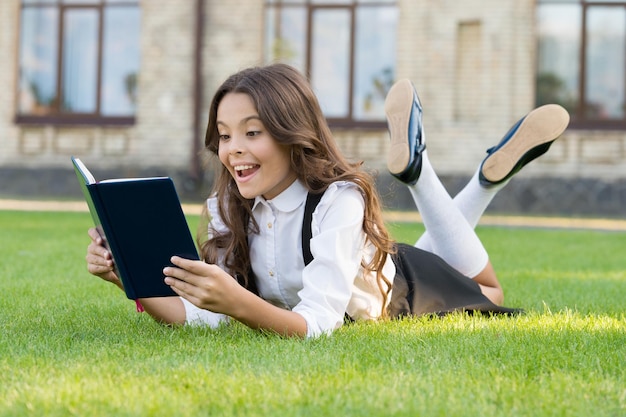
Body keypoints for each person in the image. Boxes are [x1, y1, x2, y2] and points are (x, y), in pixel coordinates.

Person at [85, 64, 570, 338]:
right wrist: (127, 275)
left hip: (401, 287)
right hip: (369, 259)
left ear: (292, 133)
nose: (233, 149)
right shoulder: (227, 207)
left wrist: (239, 304)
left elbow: (318, 325)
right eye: (225, 135)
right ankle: (484, 182)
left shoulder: (339, 200)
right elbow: (199, 314)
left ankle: (429, 179)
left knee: (489, 293)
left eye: (252, 133)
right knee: (446, 253)